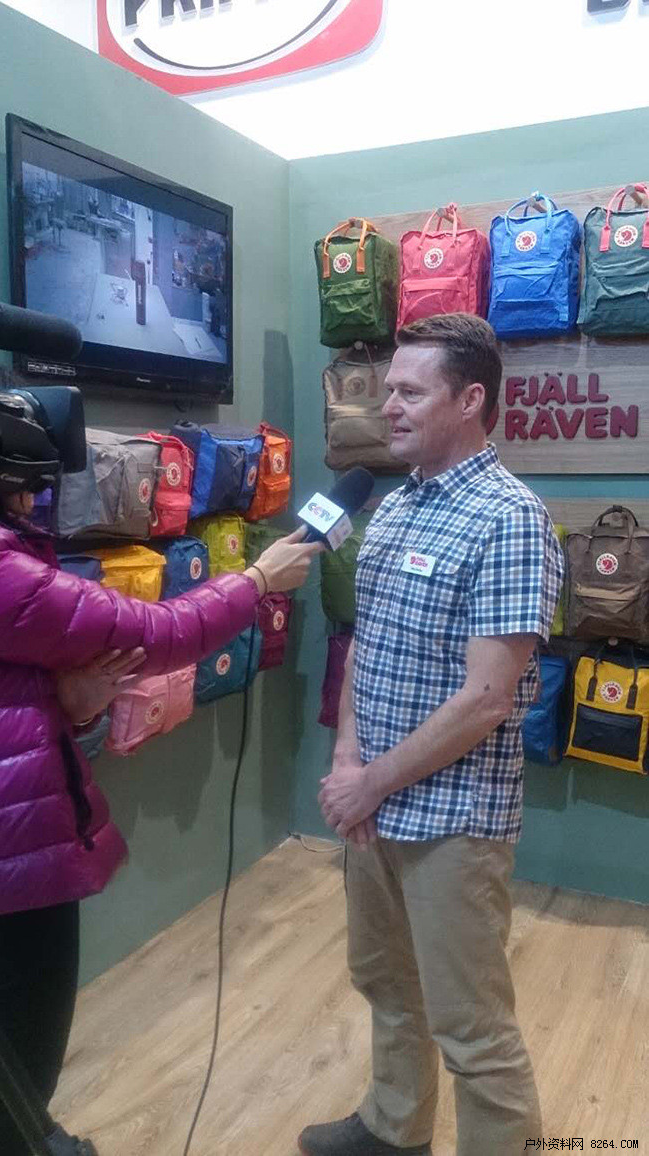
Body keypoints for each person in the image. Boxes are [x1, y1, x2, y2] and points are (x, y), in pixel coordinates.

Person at [0, 415, 322, 1156]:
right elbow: (159, 632)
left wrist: (67, 703)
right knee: (26, 1050)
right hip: (17, 862)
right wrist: (257, 580)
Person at [302, 314, 564, 1156]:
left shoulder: (510, 518)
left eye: (410, 392)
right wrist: (348, 759)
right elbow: (365, 645)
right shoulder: (394, 506)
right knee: (386, 984)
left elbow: (487, 699)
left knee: (472, 1029)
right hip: (372, 806)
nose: (389, 407)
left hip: (453, 819)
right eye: (389, 391)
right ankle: (393, 1127)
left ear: (470, 399)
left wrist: (369, 782)